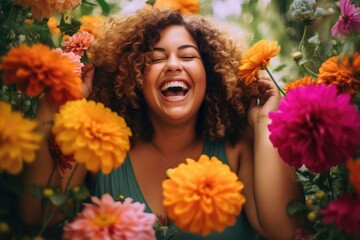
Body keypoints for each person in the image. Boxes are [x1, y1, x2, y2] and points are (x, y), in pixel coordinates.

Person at [19, 8, 303, 240]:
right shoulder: (103, 147)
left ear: (212, 75)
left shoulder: (238, 147)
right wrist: (53, 104)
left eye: (188, 55)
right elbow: (36, 215)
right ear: (133, 78)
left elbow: (287, 231)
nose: (172, 64)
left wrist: (267, 120)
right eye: (155, 58)